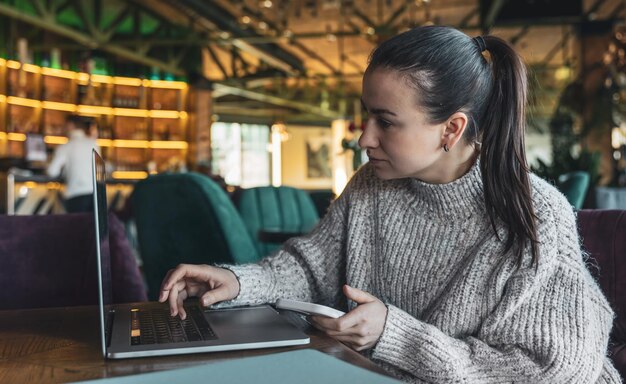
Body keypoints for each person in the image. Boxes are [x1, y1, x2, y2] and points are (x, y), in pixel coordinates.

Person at [159, 26, 620, 383]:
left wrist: (395, 337)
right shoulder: (370, 187)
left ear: (451, 129)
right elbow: (308, 268)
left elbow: (555, 372)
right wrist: (238, 282)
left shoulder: (536, 215)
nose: (364, 137)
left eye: (386, 121)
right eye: (366, 114)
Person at [47, 115, 100, 213]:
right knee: (91, 227)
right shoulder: (94, 144)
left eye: (64, 126)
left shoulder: (66, 146)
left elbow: (52, 171)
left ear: (70, 125)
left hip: (76, 195)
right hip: (95, 195)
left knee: (76, 227)